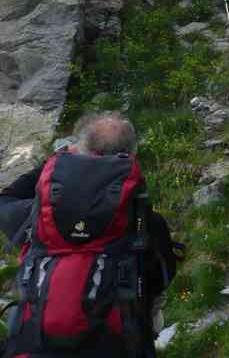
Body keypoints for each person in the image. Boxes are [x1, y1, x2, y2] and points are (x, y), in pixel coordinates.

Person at [0, 111, 181, 358]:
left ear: (79, 150)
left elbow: (5, 201)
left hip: (37, 347)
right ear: (130, 156)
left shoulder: (40, 216)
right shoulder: (145, 222)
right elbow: (162, 280)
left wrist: (55, 164)